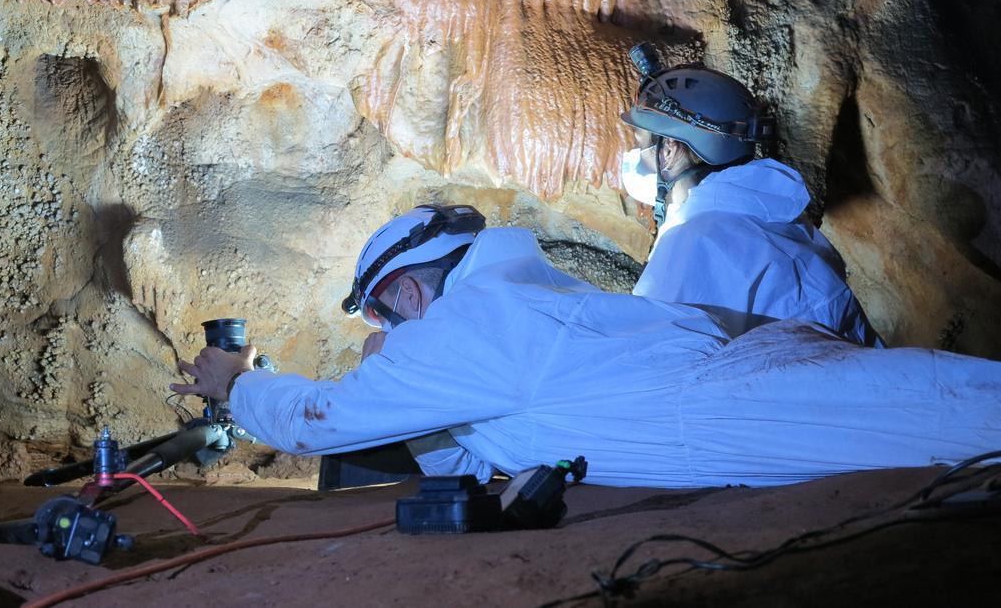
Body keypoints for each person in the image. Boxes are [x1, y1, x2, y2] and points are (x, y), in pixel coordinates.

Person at [174, 204, 1001, 488]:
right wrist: (404, 385)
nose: (388, 334)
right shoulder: (514, 304)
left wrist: (237, 383)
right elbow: (462, 459)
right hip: (738, 378)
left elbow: (321, 421)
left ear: (407, 292)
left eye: (386, 316)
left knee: (959, 412)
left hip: (734, 403)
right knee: (952, 405)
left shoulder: (473, 323)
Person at [618, 44, 881, 346]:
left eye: (641, 144)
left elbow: (651, 359)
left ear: (669, 150)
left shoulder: (695, 247)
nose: (634, 156)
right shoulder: (778, 221)